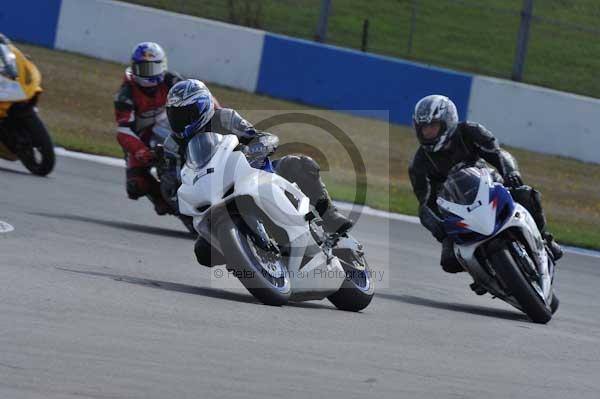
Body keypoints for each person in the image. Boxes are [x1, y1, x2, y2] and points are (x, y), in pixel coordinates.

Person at [164, 79, 352, 236]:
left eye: (188, 113)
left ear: (204, 106)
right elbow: (174, 181)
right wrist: (168, 185)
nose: (182, 120)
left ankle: (330, 216)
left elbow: (263, 137)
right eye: (176, 115)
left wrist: (254, 152)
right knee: (203, 254)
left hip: (251, 175)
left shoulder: (224, 118)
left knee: (298, 164)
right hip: (212, 199)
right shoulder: (172, 145)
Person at [408, 94, 563, 276]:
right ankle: (483, 274)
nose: (427, 133)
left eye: (432, 127)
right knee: (449, 261)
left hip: (489, 185)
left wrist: (511, 172)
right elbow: (426, 203)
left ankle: (545, 239)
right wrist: (441, 228)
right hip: (457, 208)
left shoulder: (470, 131)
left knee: (526, 195)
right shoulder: (419, 164)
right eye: (423, 128)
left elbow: (497, 153)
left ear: (447, 121)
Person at [114, 42, 220, 214]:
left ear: (161, 66)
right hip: (141, 138)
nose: (146, 73)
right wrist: (141, 151)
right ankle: (165, 199)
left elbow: (200, 93)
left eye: (151, 68)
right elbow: (123, 130)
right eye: (142, 68)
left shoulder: (171, 79)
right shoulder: (125, 94)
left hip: (170, 125)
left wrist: (218, 112)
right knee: (135, 185)